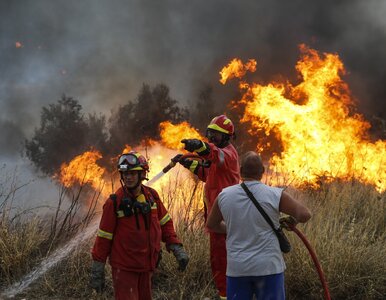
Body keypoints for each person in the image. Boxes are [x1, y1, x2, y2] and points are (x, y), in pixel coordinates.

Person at [206, 151, 312, 300]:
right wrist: (293, 221)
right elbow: (305, 214)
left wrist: (234, 228)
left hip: (238, 269)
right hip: (269, 268)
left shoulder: (224, 195)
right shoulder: (275, 194)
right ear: (262, 171)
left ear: (241, 170)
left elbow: (211, 225)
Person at [90, 151, 189, 300]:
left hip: (147, 266)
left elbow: (165, 224)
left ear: (142, 174)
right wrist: (98, 269)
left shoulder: (152, 196)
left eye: (132, 173)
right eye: (124, 174)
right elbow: (104, 237)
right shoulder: (114, 202)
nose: (128, 177)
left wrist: (176, 247)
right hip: (125, 269)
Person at [173, 115, 240, 299]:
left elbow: (213, 154)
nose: (212, 138)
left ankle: (228, 294)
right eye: (210, 134)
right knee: (218, 260)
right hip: (217, 217)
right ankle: (224, 293)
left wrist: (200, 146)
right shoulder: (218, 155)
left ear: (227, 137)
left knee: (224, 261)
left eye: (216, 136)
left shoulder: (228, 154)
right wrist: (191, 164)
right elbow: (209, 175)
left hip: (226, 219)